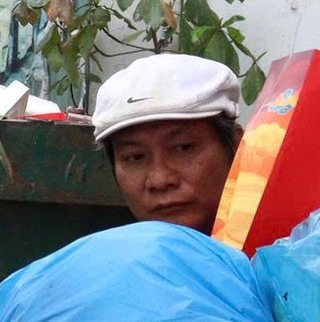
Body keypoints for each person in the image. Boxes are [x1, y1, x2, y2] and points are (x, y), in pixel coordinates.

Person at [91, 53, 242, 235]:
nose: (160, 180)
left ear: (237, 147)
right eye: (135, 157)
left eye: (183, 148)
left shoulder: (280, 253)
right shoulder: (101, 261)